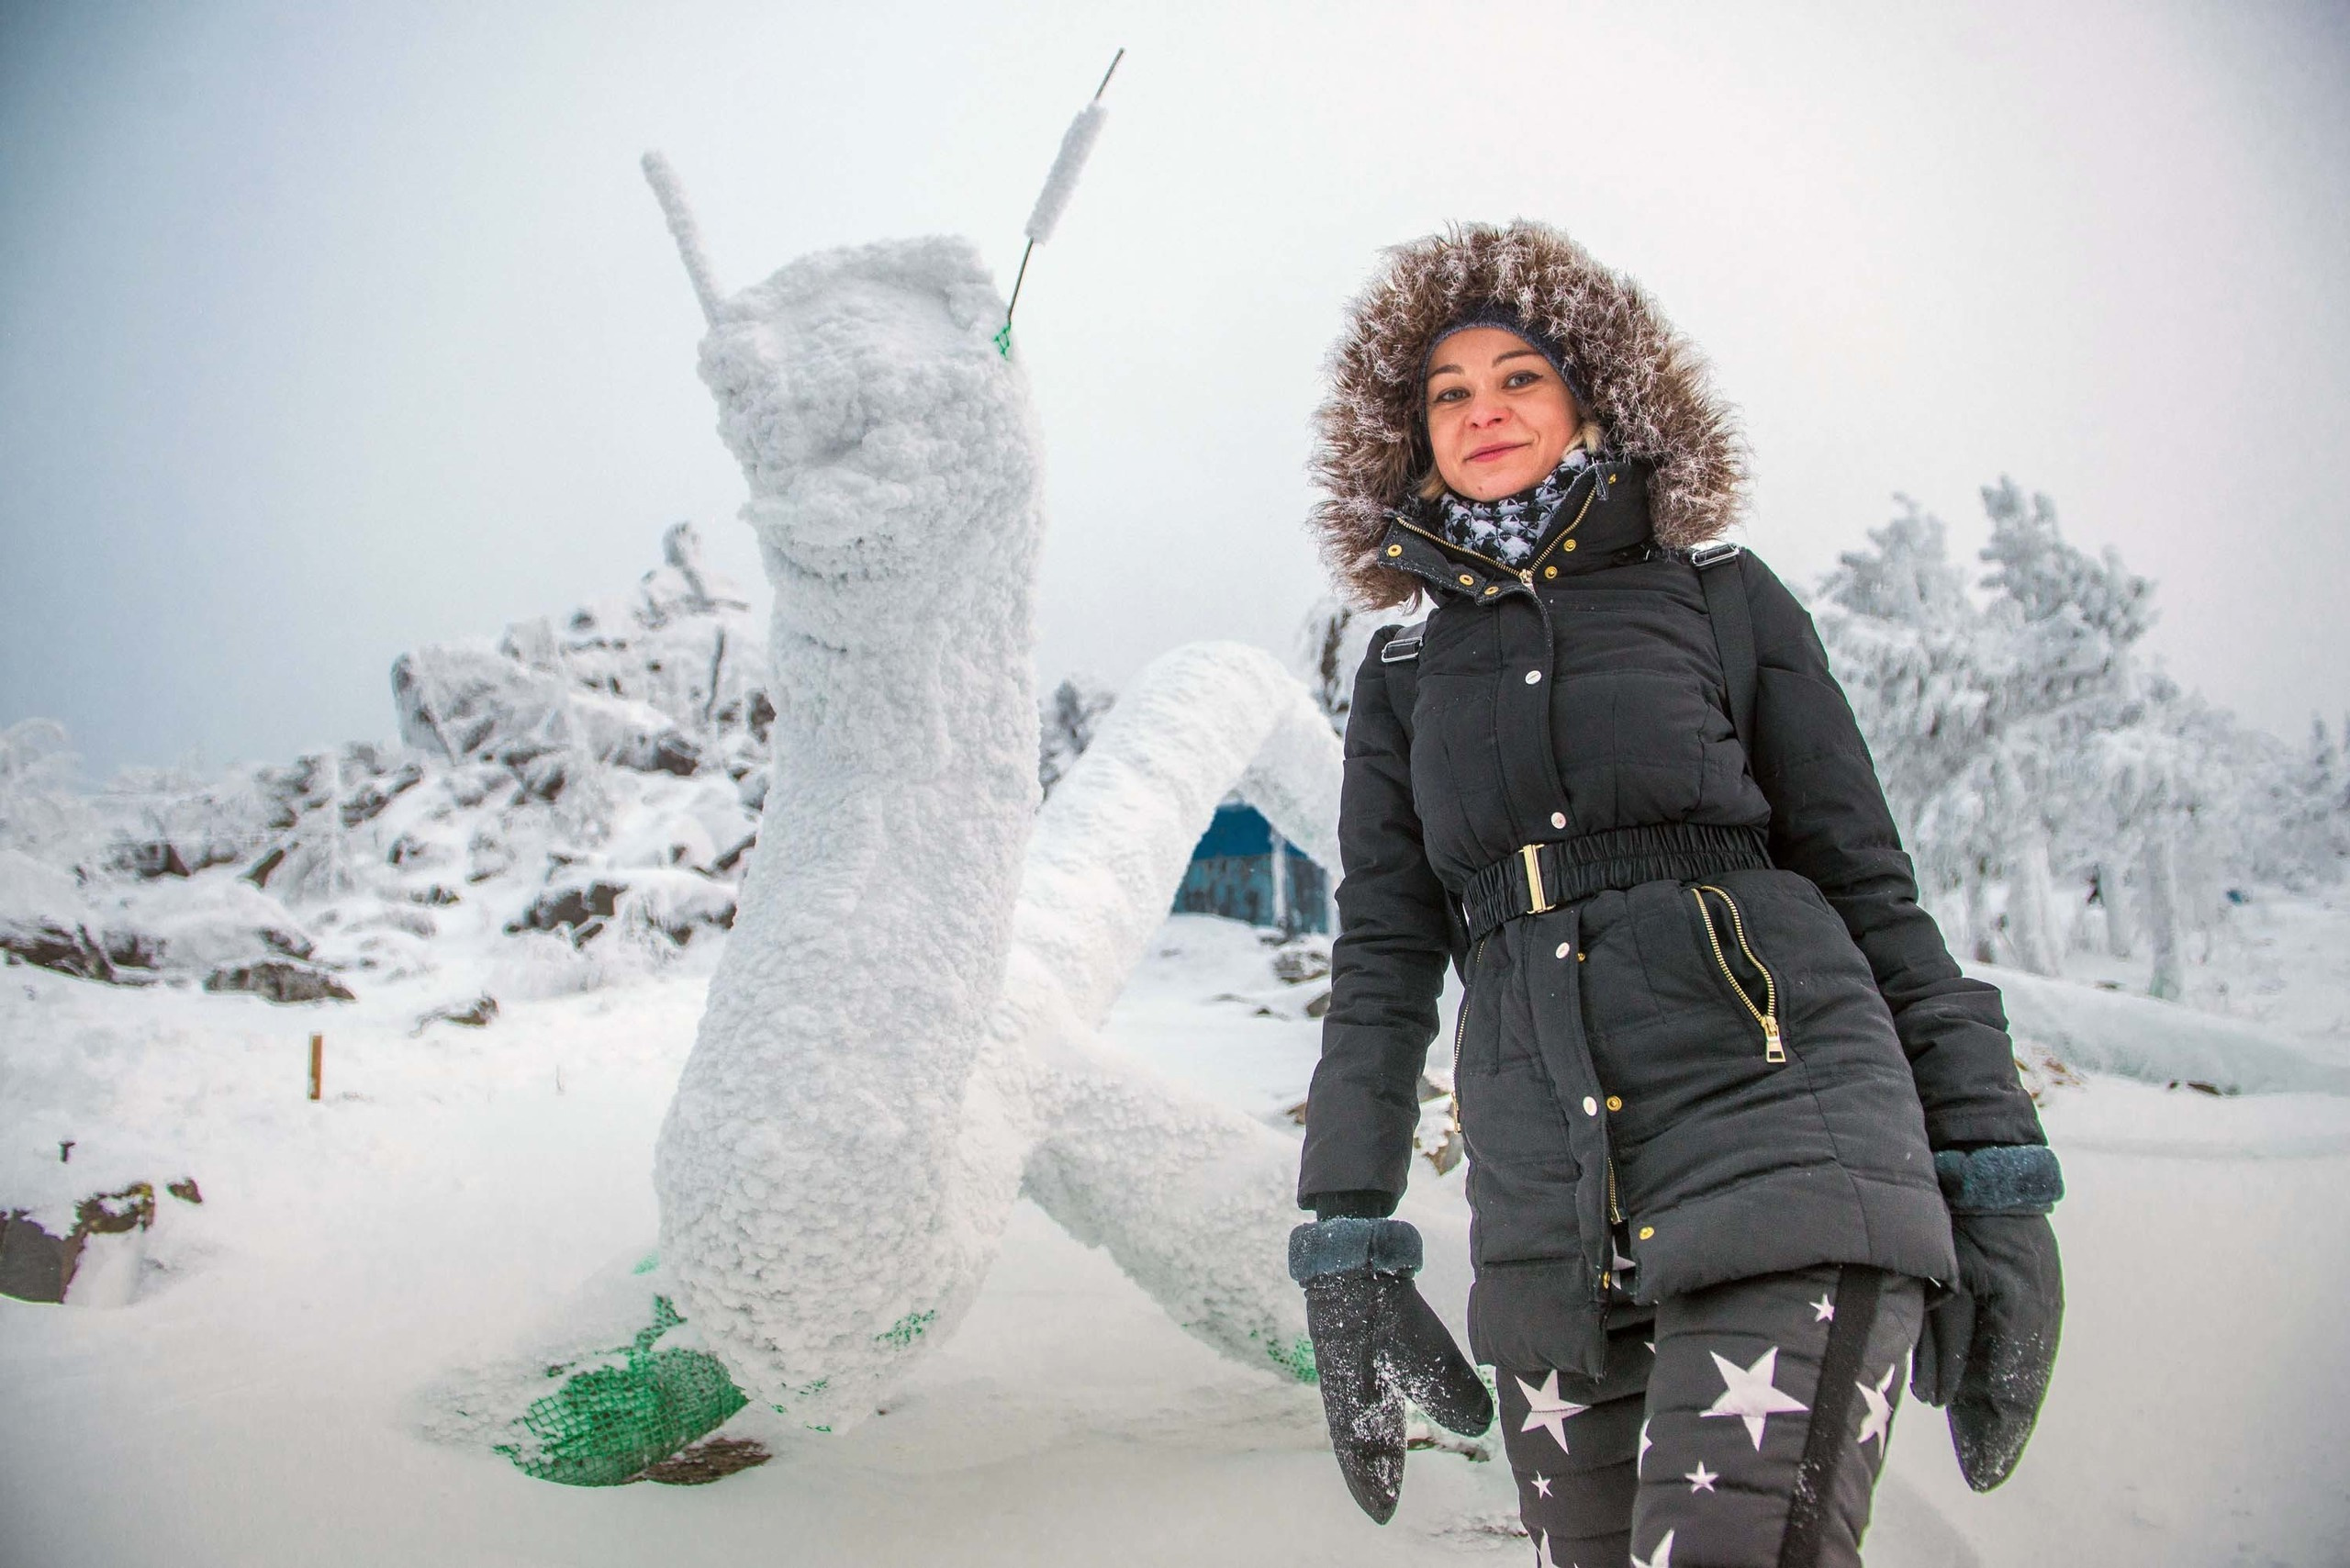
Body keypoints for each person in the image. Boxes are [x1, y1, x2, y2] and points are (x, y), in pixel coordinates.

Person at [1286, 222, 2065, 1568]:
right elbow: (1382, 964)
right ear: (1404, 437)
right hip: (1546, 1211)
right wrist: (1348, 1230)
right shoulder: (1405, 678)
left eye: (1519, 377)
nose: (1483, 412)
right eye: (1447, 393)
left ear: (1596, 395)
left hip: (1789, 1137)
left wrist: (1992, 1164)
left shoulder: (1719, 599)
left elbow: (1871, 889)